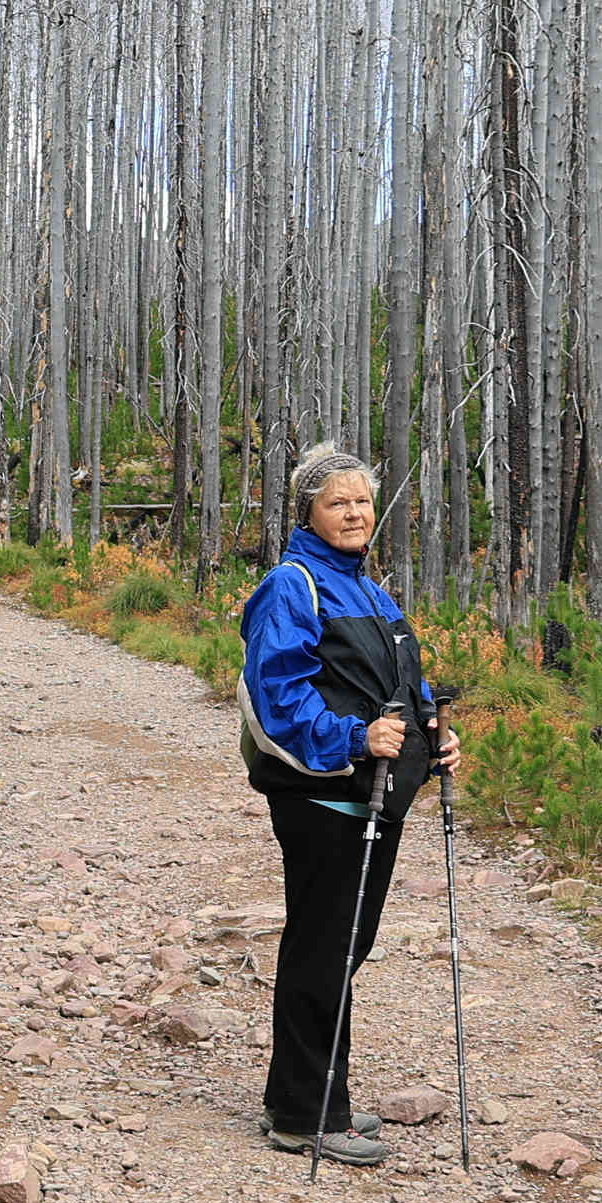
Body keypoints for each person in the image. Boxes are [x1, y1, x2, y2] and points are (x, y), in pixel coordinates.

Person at [237, 446, 457, 1163]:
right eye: (338, 502)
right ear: (308, 512)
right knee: (323, 948)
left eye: (362, 501)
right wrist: (355, 739)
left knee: (343, 948)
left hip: (372, 796)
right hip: (321, 795)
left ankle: (307, 1097)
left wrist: (432, 738)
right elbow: (279, 697)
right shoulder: (291, 585)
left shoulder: (371, 591)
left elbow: (403, 685)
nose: (355, 513)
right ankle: (306, 1113)